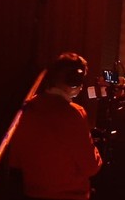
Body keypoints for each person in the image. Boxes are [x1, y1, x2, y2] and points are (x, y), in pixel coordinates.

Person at [9, 52, 103, 200]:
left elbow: (16, 160)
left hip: (31, 194)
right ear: (74, 80)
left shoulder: (27, 107)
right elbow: (91, 167)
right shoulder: (74, 113)